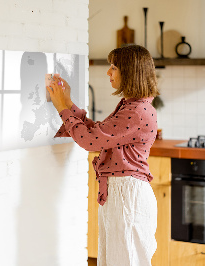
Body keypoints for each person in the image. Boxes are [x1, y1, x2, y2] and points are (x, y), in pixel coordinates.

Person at [47, 45, 159, 266]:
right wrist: (68, 103)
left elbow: (90, 141)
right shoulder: (131, 106)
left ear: (130, 71)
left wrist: (62, 108)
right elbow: (98, 133)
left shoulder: (136, 111)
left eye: (114, 67)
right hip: (122, 193)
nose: (109, 72)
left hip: (127, 196)